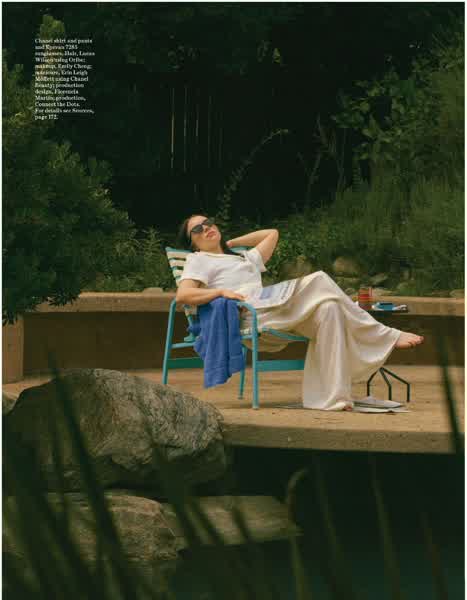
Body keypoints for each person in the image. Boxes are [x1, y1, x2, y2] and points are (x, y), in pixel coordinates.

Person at [175, 214, 424, 411]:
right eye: (198, 229)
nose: (206, 228)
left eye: (209, 223)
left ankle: (333, 399)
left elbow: (272, 234)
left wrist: (230, 243)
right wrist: (220, 292)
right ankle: (384, 334)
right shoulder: (199, 260)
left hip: (274, 308)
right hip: (251, 314)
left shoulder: (244, 258)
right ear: (192, 243)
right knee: (319, 279)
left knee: (330, 309)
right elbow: (183, 295)